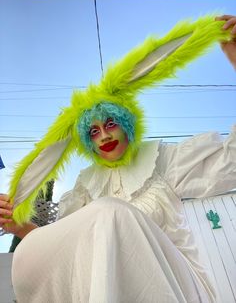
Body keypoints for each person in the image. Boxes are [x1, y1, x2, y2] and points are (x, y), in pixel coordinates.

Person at [0, 15, 235, 303]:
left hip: (176, 285)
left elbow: (231, 162)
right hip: (107, 291)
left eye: (111, 124)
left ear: (127, 124)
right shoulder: (86, 185)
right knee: (40, 245)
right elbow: (67, 251)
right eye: (93, 131)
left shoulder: (161, 159)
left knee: (110, 212)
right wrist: (21, 227)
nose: (103, 137)